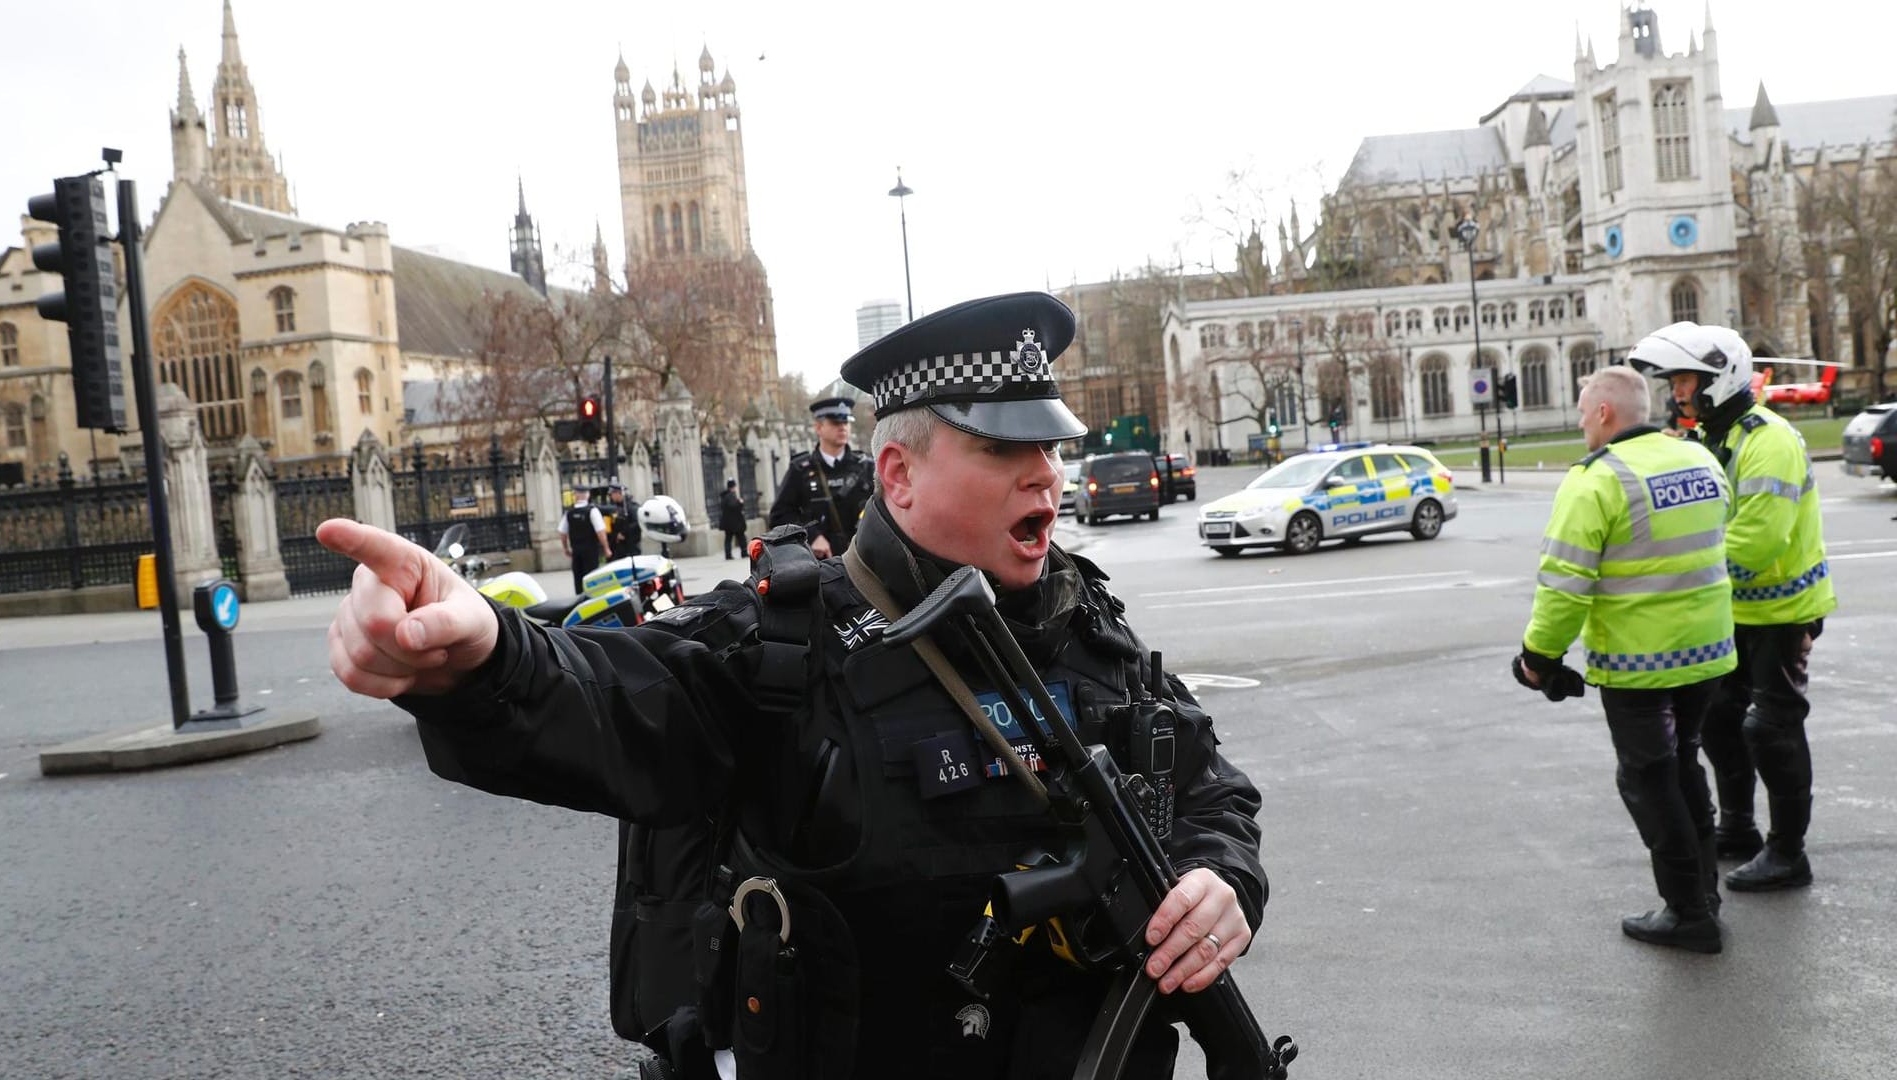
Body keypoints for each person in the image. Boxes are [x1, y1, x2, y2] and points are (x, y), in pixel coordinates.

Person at [316, 291, 1267, 1079]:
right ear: (898, 475)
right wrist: (482, 654)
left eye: (1051, 449)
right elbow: (611, 698)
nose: (1047, 478)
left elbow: (1207, 787)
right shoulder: (786, 646)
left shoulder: (1085, 623)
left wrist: (1220, 879)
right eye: (1004, 451)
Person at [1513, 365, 1736, 953]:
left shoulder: (1596, 481)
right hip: (1709, 653)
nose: (1583, 422)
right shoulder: (1699, 459)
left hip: (1642, 665)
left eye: (1585, 411)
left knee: (1649, 779)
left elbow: (1563, 585)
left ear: (1605, 413)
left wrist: (1539, 658)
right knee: (1686, 766)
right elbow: (1719, 533)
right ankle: (1705, 895)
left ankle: (1688, 912)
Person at [1629, 322, 1836, 893]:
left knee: (1772, 727)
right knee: (1721, 721)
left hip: (1783, 609)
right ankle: (1739, 827)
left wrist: (1685, 575)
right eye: (1674, 382)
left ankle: (1789, 852)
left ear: (1721, 378)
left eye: (1687, 380)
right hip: (1735, 612)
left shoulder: (1767, 440)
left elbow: (1757, 542)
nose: (1678, 393)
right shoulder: (1710, 440)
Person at [769, 396, 875, 558]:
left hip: (863, 561)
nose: (842, 428)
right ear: (818, 428)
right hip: (820, 565)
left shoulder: (866, 467)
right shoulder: (800, 469)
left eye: (846, 422)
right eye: (835, 423)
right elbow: (779, 516)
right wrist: (811, 535)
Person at [559, 485, 610, 595]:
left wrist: (565, 548)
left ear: (576, 495)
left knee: (578, 578)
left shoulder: (569, 512)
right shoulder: (592, 511)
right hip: (590, 551)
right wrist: (606, 548)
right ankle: (593, 600)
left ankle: (580, 600)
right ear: (587, 495)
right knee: (591, 577)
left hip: (576, 550)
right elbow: (600, 532)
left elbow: (562, 533)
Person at [603, 481, 643, 560]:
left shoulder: (632, 507)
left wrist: (624, 533)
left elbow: (636, 523)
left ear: (618, 493)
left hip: (630, 545)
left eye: (612, 494)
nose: (611, 497)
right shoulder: (614, 507)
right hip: (617, 546)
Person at [719, 478, 748, 559]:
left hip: (728, 522)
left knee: (728, 539)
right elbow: (734, 506)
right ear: (733, 487)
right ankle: (743, 552)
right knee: (741, 538)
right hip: (735, 522)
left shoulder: (724, 496)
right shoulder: (730, 496)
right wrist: (740, 502)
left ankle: (728, 554)